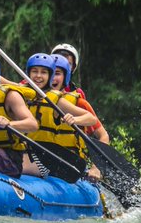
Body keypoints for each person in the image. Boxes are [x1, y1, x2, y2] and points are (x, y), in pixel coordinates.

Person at [14, 53, 98, 182]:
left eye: (44, 72)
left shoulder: (60, 100)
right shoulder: (20, 93)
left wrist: (76, 120)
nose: (38, 76)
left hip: (51, 159)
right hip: (26, 151)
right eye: (34, 71)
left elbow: (92, 119)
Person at [51, 41, 111, 143]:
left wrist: (75, 120)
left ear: (73, 68)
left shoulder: (76, 97)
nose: (61, 65)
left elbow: (103, 134)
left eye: (67, 64)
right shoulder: (32, 86)